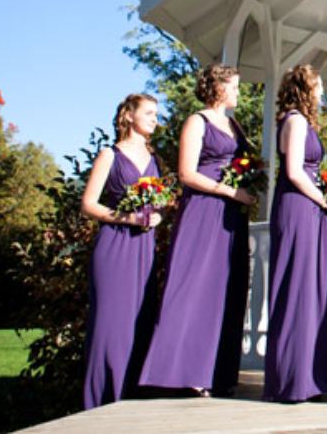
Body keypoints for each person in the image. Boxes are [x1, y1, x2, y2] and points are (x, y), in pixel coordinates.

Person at [139, 63, 257, 397]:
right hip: (204, 210)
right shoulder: (197, 121)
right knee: (194, 286)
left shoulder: (234, 125)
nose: (237, 91)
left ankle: (217, 372)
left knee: (227, 289)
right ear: (218, 87)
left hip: (231, 216)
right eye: (233, 86)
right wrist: (229, 190)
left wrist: (246, 185)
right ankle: (181, 371)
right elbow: (187, 173)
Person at [262, 65, 327, 402]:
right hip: (300, 207)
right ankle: (297, 378)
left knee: (315, 288)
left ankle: (318, 375)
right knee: (300, 287)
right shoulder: (296, 121)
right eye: (317, 85)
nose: (321, 91)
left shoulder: (292, 121)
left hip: (307, 207)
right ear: (305, 88)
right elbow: (294, 172)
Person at [80, 94, 164, 409]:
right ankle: (100, 403)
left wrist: (157, 214)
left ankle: (131, 401)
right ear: (128, 116)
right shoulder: (110, 155)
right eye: (149, 113)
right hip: (115, 244)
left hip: (145, 247)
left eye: (157, 113)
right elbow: (88, 204)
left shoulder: (154, 158)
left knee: (140, 322)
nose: (155, 118)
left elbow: (157, 200)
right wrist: (128, 217)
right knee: (109, 326)